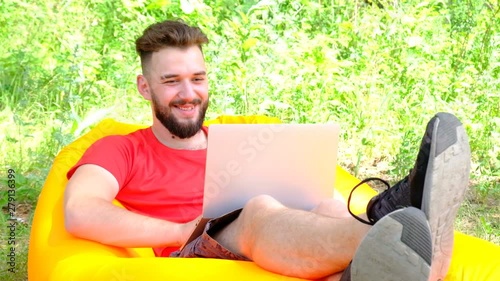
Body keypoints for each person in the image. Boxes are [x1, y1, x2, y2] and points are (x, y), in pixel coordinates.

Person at [63, 19, 471, 281]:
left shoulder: (243, 141)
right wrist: (179, 229)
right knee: (257, 209)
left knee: (325, 208)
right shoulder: (121, 149)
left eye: (198, 78)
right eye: (171, 81)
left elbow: (312, 197)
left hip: (276, 240)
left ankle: (400, 248)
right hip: (195, 251)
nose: (188, 94)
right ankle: (395, 222)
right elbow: (80, 211)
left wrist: (325, 204)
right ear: (144, 86)